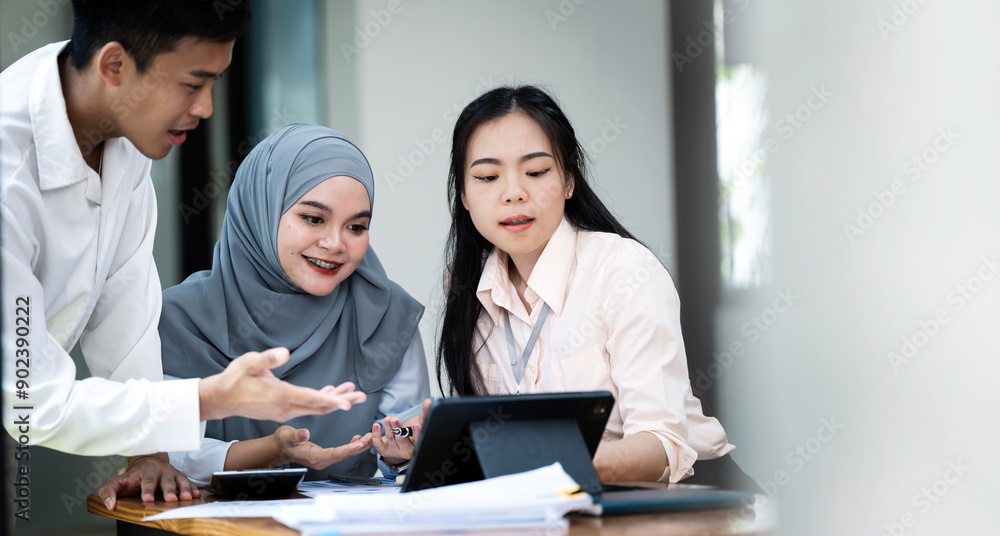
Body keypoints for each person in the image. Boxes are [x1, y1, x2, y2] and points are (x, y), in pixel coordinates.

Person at [1, 0, 364, 518]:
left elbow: (124, 323)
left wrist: (150, 454)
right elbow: (27, 401)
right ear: (115, 66)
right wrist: (214, 398)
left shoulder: (123, 143)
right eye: (193, 84)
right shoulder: (8, 172)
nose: (207, 108)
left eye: (215, 82)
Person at [437, 85, 755, 490]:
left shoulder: (624, 271)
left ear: (569, 180)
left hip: (687, 499)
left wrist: (558, 463)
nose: (514, 192)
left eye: (536, 172)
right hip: (569, 500)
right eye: (487, 176)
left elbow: (663, 445)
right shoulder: (469, 290)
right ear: (463, 194)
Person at [152, 123, 430, 485]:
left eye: (356, 227)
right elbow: (163, 452)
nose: (335, 243)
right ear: (260, 211)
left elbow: (403, 444)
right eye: (313, 218)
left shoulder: (386, 315)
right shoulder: (178, 320)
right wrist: (271, 449)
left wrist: (400, 457)